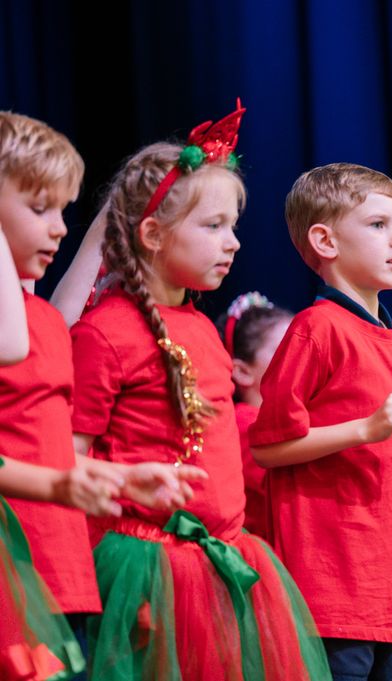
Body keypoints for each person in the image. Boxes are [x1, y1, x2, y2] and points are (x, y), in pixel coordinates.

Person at [70, 102, 330, 680]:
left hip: (222, 560)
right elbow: (67, 461)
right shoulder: (105, 333)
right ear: (152, 234)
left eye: (232, 226)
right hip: (145, 569)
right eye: (213, 227)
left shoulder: (202, 330)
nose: (232, 243)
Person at [249, 162, 392, 681]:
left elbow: (385, 451)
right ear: (325, 241)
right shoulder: (316, 329)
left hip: (391, 585)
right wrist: (366, 428)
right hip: (332, 585)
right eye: (378, 225)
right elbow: (267, 447)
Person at [0, 110, 206, 680]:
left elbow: (42, 441)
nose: (59, 228)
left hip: (59, 568)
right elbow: (10, 344)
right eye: (39, 209)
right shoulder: (15, 329)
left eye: (62, 210)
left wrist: (115, 478)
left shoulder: (43, 319)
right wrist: (58, 483)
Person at [217, 291, 292, 540]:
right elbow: (292, 481)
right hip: (263, 552)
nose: (300, 359)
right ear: (242, 372)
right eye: (285, 351)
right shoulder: (242, 424)